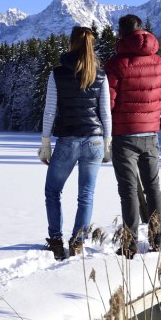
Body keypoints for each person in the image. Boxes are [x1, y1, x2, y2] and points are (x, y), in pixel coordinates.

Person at [103, 14, 161, 258]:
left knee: (128, 190)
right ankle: (157, 240)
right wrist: (152, 111)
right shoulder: (160, 62)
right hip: (151, 133)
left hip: (124, 135)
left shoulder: (115, 64)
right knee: (153, 186)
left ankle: (130, 243)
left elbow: (108, 102)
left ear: (121, 34)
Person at [39, 26, 113, 260]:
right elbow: (105, 112)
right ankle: (78, 242)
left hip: (68, 140)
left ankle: (56, 241)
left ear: (71, 43)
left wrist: (45, 141)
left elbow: (50, 110)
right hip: (94, 140)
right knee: (86, 195)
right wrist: (107, 141)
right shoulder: (100, 75)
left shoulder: (57, 73)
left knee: (52, 191)